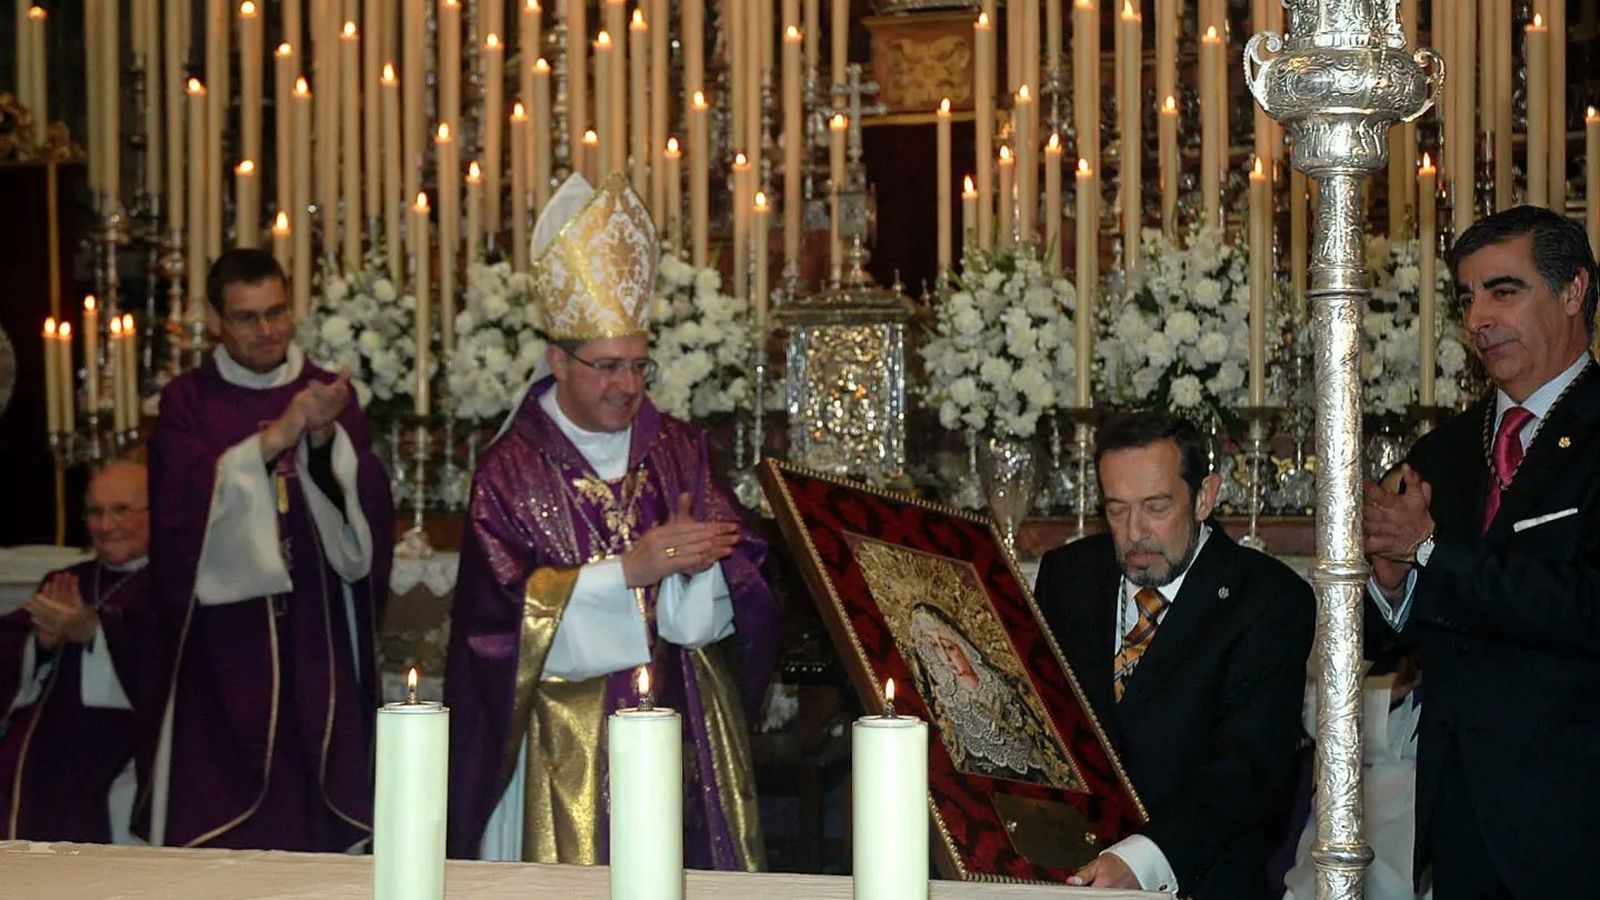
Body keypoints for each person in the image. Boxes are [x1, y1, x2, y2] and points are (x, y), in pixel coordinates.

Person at [444, 173, 779, 869]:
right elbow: (493, 625)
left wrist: (706, 568)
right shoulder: (508, 472)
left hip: (679, 723)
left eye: (637, 365)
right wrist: (630, 572)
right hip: (561, 739)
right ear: (556, 361)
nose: (626, 386)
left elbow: (744, 567)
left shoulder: (679, 447)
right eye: (605, 367)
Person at [1362, 204, 1600, 899]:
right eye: (1467, 298)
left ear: (1574, 292)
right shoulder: (1444, 451)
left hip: (1576, 819)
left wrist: (1431, 552)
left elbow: (1586, 606)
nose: (1478, 320)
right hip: (1461, 819)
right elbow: (1379, 640)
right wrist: (1389, 581)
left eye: (1504, 290)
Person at [140, 248, 394, 851]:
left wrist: (324, 440)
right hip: (225, 643)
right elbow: (179, 511)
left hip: (314, 627)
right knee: (227, 800)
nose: (267, 330)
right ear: (216, 320)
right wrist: (275, 439)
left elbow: (368, 515)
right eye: (248, 317)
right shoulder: (188, 402)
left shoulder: (327, 392)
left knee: (318, 791)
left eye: (277, 312)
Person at [1034, 410, 1314, 899]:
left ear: (1204, 496)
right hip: (1066, 873)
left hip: (1198, 879)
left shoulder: (1267, 598)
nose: (1136, 531)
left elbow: (1248, 770)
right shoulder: (1069, 575)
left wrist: (1140, 858)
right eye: (1117, 510)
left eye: (1156, 507)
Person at [0, 461, 157, 843]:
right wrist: (41, 642)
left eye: (121, 510)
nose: (106, 525)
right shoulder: (68, 580)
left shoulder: (171, 584)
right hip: (40, 747)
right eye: (95, 512)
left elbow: (169, 671)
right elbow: (10, 642)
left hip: (125, 745)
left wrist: (95, 633)